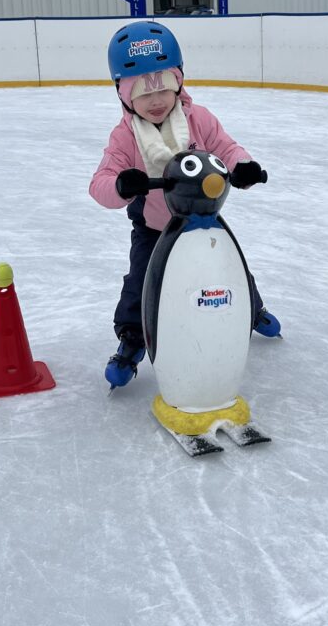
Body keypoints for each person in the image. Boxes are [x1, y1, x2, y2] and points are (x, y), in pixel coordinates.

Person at [89, 20, 281, 388]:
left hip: (203, 218)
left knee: (231, 265)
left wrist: (243, 168)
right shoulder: (125, 137)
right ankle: (132, 337)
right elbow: (99, 183)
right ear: (124, 95)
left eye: (164, 87)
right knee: (141, 279)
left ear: (180, 81)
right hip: (154, 227)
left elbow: (226, 148)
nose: (156, 100)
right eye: (143, 93)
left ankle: (251, 309)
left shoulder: (199, 119)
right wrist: (121, 185)